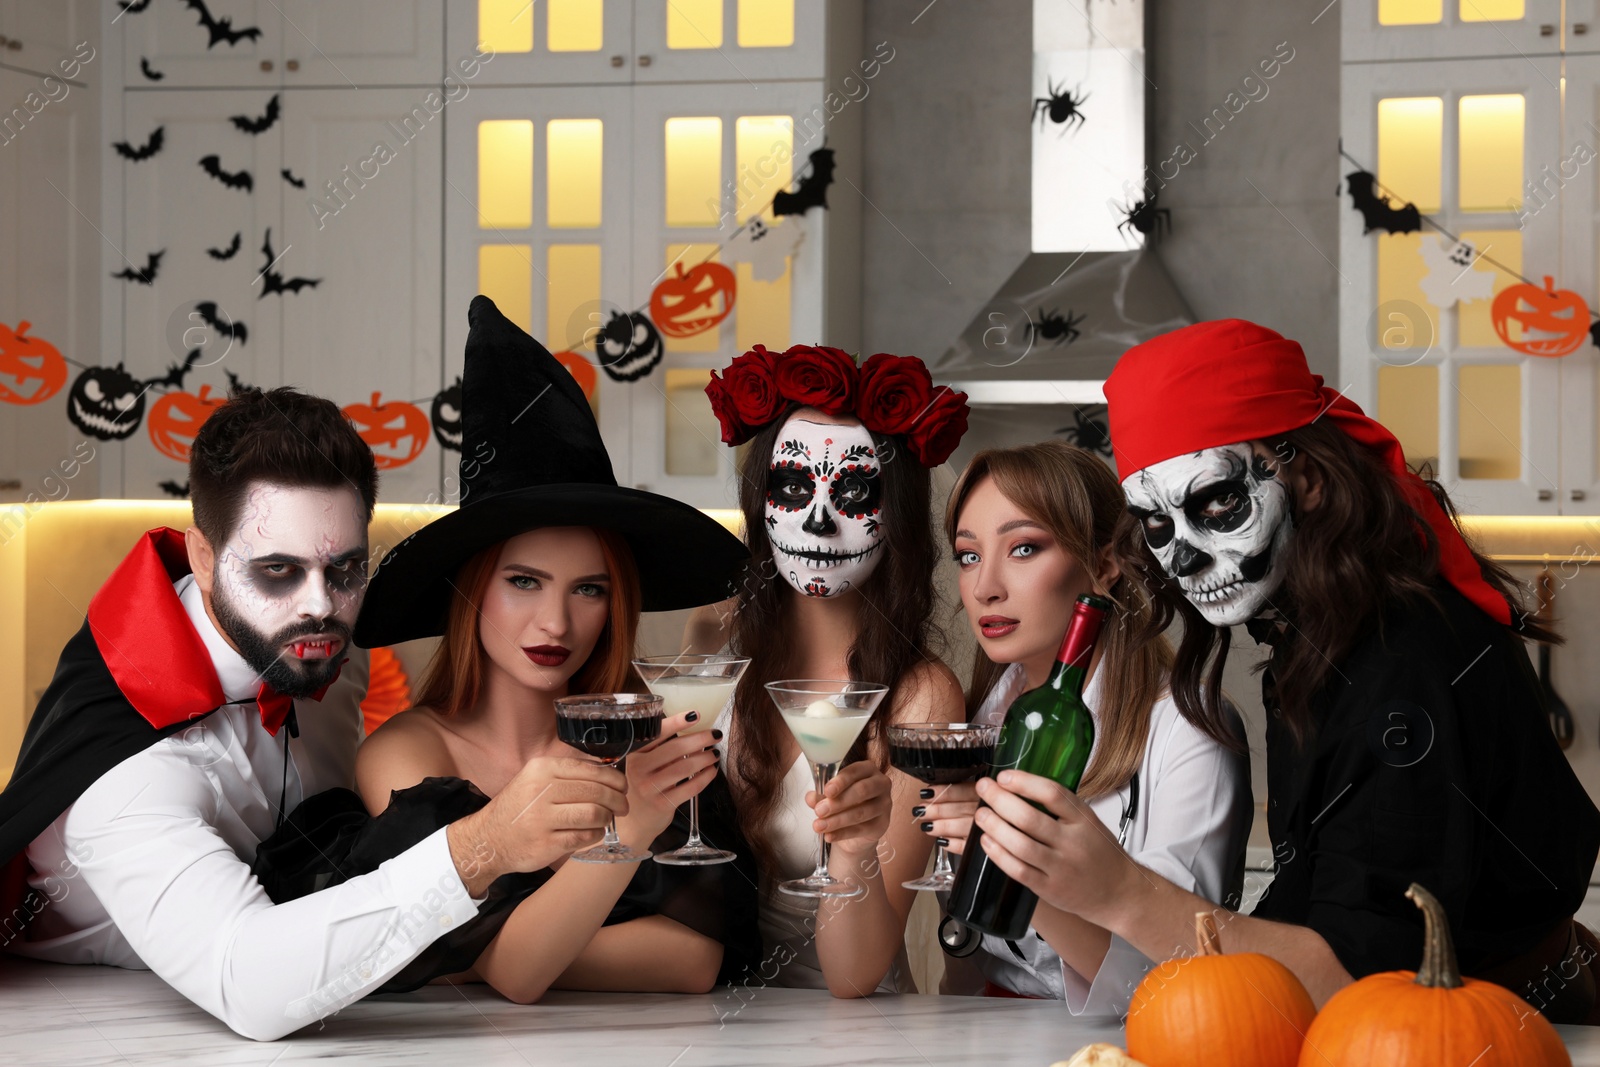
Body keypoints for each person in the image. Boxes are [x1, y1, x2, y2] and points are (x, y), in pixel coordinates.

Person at [964, 319, 1600, 1023]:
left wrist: (1119, 891)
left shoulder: (1405, 664)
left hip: (1495, 1034)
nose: (1185, 561)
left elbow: (1358, 977)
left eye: (1216, 503)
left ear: (1309, 475)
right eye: (1157, 526)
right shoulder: (1317, 640)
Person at [0, 385, 633, 1040]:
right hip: (105, 1024)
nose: (320, 607)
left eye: (345, 568)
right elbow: (247, 982)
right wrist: (484, 845)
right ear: (204, 558)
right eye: (277, 569)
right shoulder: (125, 778)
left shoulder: (325, 640)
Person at [291, 295, 760, 1003]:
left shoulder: (651, 731)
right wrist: (628, 827)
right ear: (471, 589)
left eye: (589, 589)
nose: (557, 622)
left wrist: (469, 954)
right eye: (523, 581)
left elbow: (691, 959)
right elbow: (517, 974)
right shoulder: (407, 756)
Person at [924, 440, 1251, 1014]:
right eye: (969, 555)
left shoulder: (1189, 726)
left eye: (1024, 548)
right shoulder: (979, 721)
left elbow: (1170, 974)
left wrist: (1010, 857)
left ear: (1103, 566)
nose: (984, 588)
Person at [685, 344, 969, 996]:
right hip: (705, 1020)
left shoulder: (921, 697)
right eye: (791, 485)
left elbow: (857, 973)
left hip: (847, 1036)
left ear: (893, 512)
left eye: (853, 490)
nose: (817, 517)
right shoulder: (711, 643)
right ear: (762, 500)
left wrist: (854, 845)